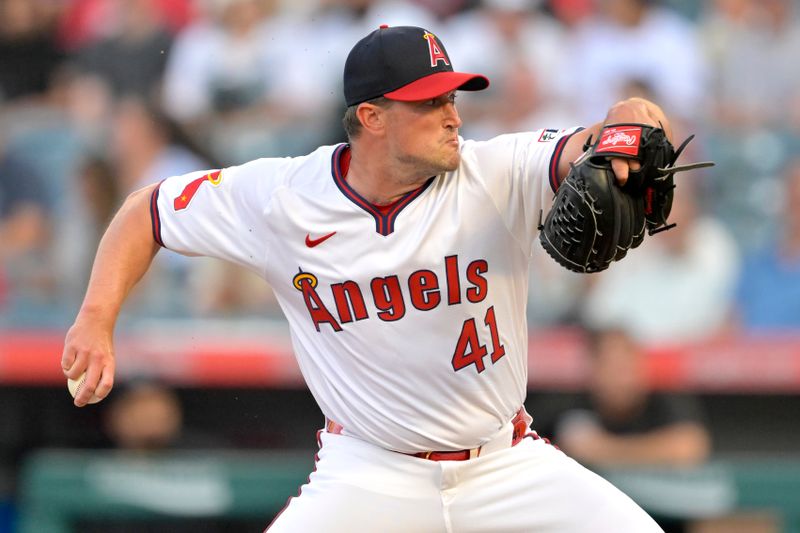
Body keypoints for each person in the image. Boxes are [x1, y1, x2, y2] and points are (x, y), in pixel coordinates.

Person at [63, 24, 677, 531]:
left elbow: (597, 139)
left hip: (506, 467)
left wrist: (629, 121)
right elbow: (144, 211)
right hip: (368, 474)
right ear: (372, 117)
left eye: (454, 99)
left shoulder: (493, 173)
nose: (452, 117)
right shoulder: (284, 199)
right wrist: (96, 317)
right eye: (431, 101)